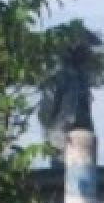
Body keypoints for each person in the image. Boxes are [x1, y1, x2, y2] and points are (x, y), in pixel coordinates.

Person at [38, 28, 100, 165]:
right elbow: (45, 113)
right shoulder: (58, 76)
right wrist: (54, 135)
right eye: (84, 48)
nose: (88, 52)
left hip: (84, 141)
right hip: (62, 143)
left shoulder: (82, 77)